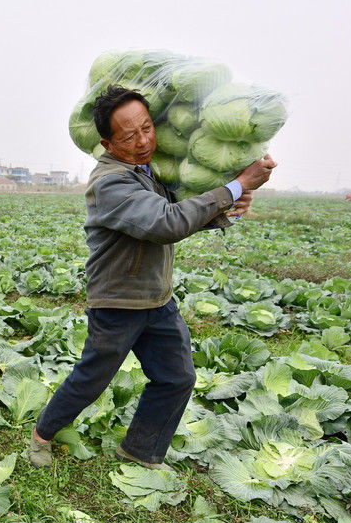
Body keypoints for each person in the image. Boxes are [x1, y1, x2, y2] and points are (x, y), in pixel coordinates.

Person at [28, 85, 276, 470]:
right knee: (92, 379)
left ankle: (141, 448)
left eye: (147, 128)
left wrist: (228, 210)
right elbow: (166, 222)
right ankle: (42, 433)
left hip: (158, 299)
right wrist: (236, 185)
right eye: (130, 136)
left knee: (178, 377)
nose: (144, 140)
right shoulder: (110, 183)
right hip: (118, 303)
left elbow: (179, 213)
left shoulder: (147, 173)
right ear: (109, 143)